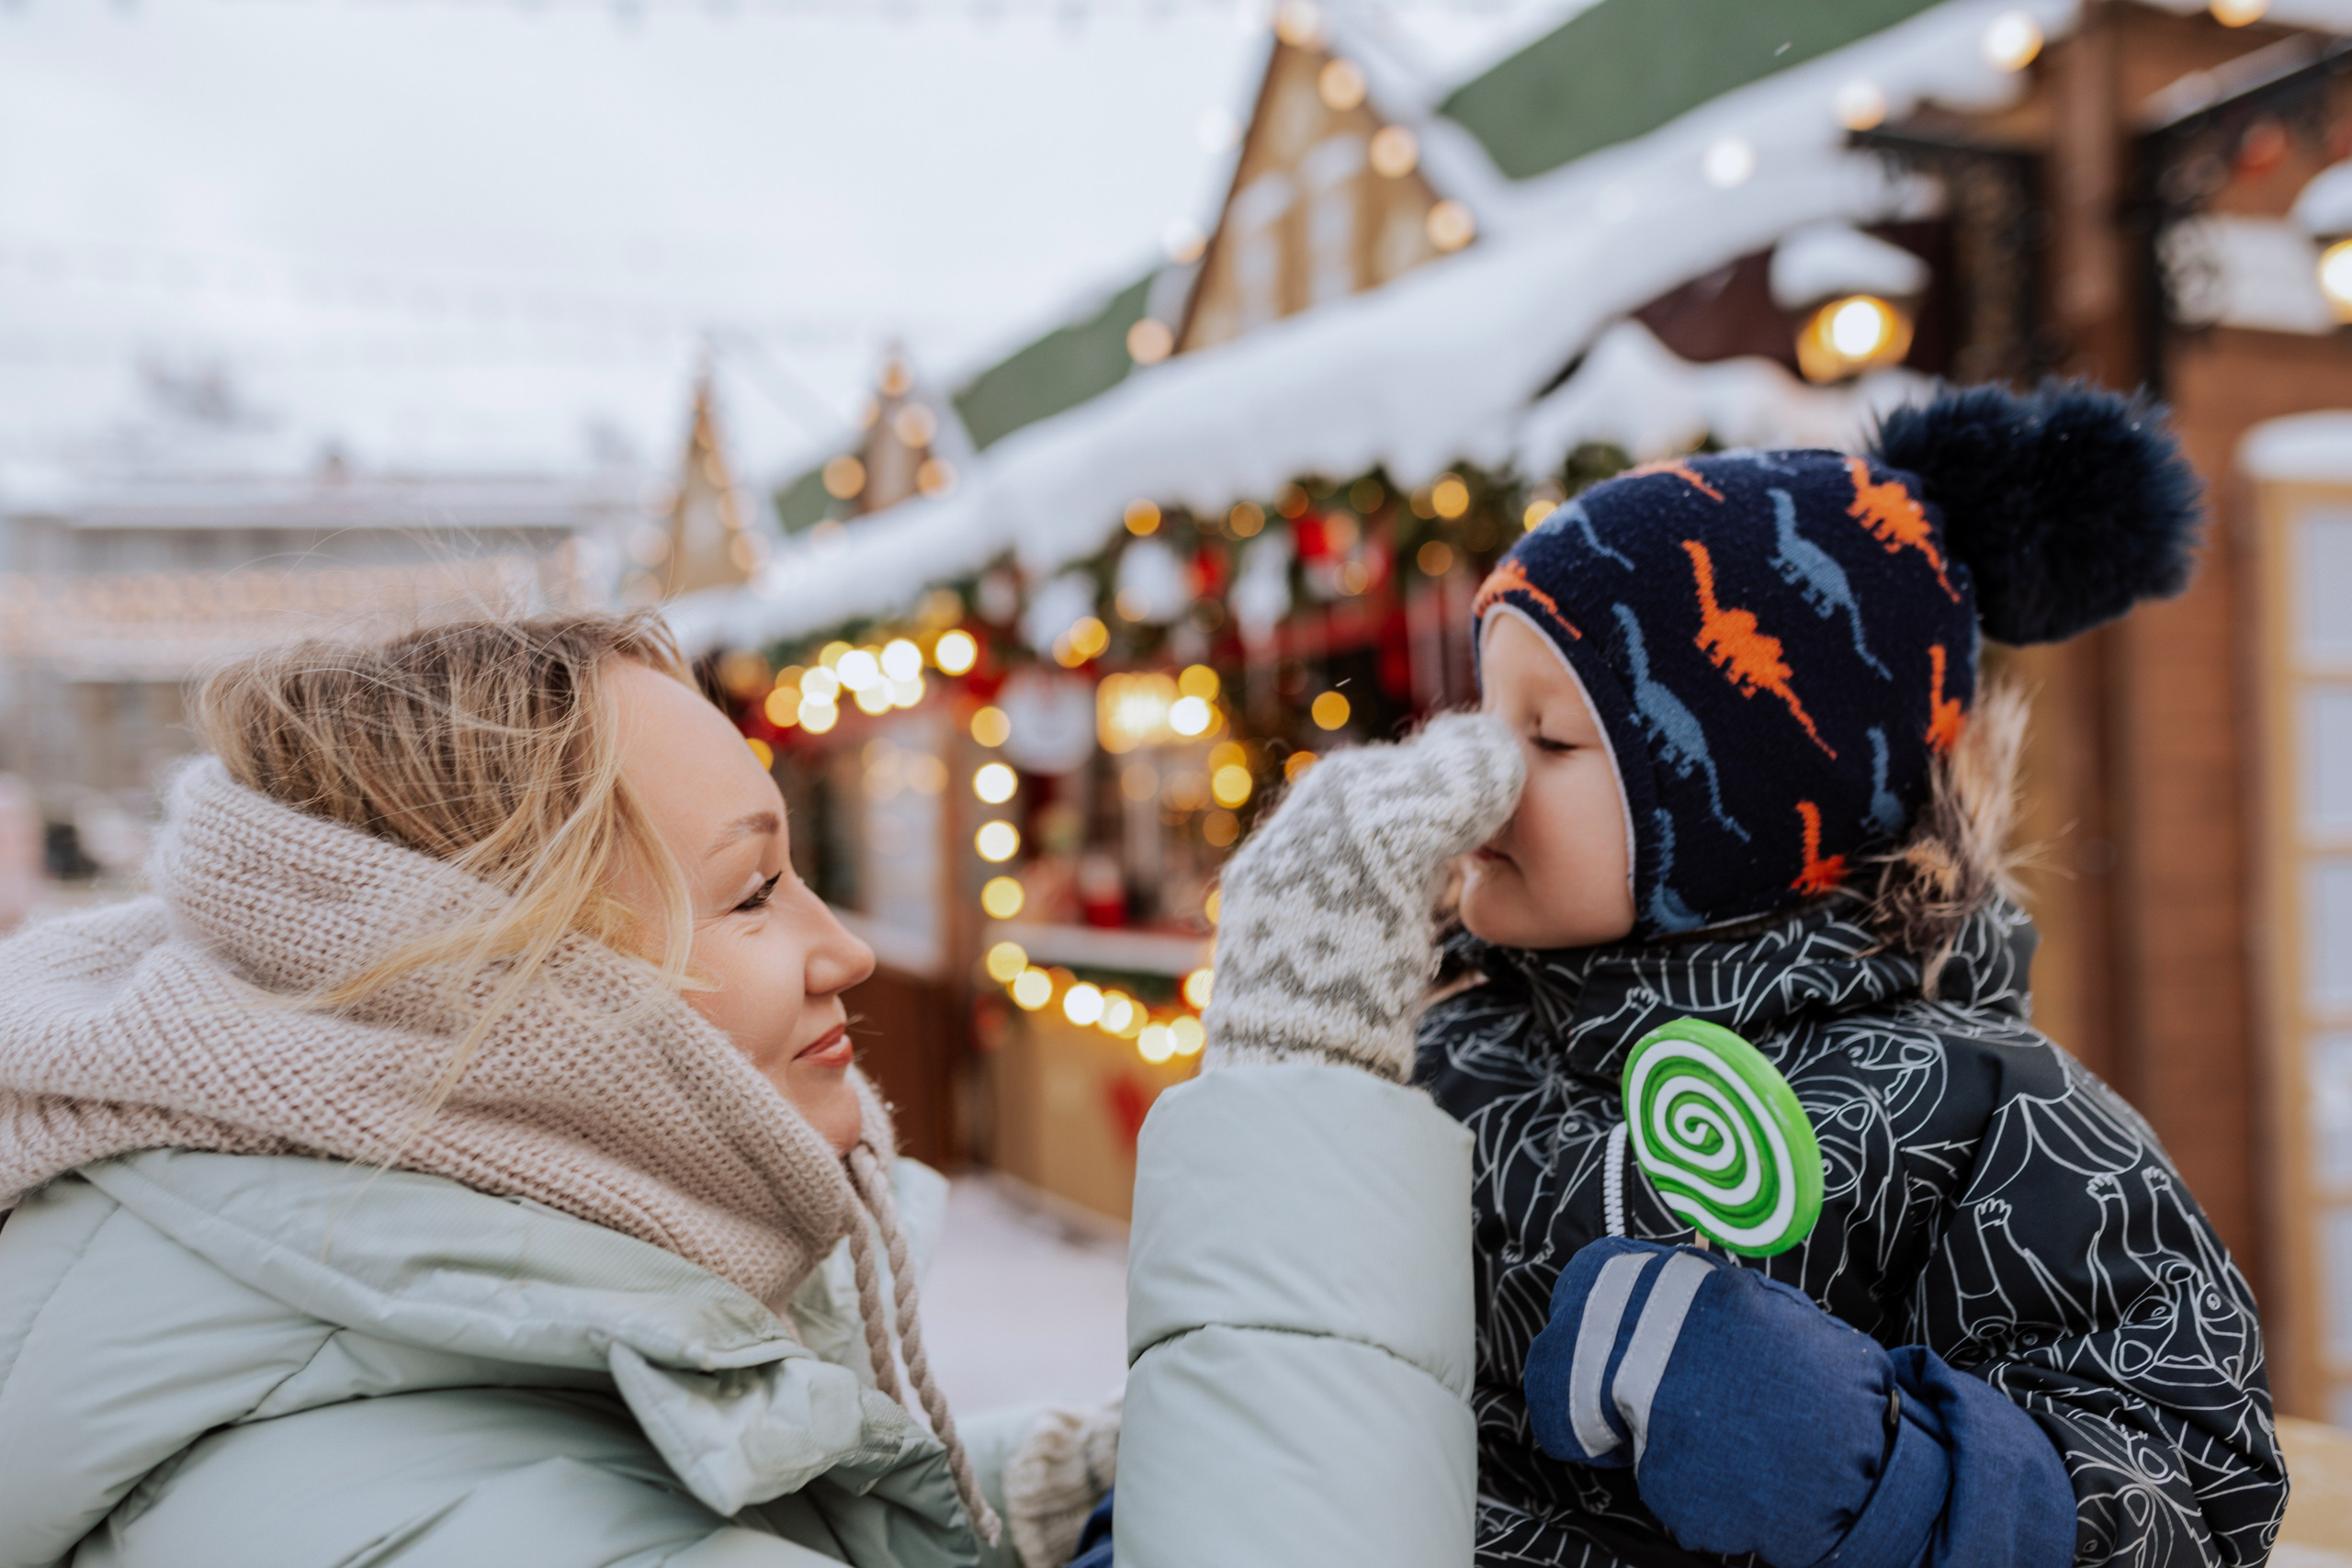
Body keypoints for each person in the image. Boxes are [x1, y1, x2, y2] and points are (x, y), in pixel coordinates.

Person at [1126, 381, 2284, 1568]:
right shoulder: (1445, 1051)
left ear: (1742, 806)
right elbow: (1297, 1382)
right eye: (1482, 706)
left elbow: (2194, 1490)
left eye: (1550, 736)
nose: (1471, 766)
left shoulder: (1985, 1116)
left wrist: (1859, 1462)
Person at [0, 614, 1114, 1568]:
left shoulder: (396, 1309)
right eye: (754, 893)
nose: (844, 951)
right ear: (494, 1001)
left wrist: (1078, 1475)